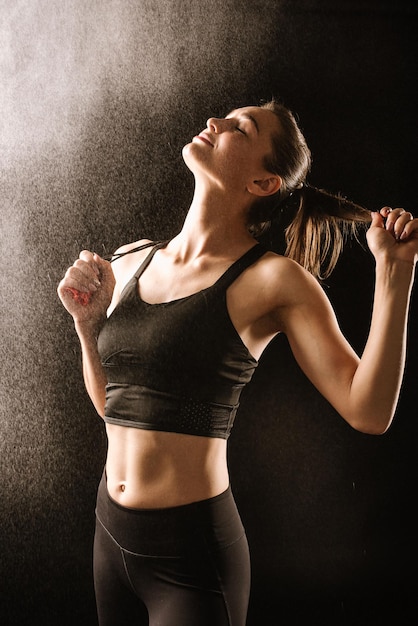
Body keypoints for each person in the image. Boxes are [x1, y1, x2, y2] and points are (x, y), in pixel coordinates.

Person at [57, 99, 418, 626]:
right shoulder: (131, 258)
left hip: (191, 557)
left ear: (263, 183)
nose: (215, 123)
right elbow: (114, 410)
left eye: (239, 129)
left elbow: (369, 410)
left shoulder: (273, 281)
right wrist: (87, 330)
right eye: (224, 117)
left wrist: (394, 274)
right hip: (109, 538)